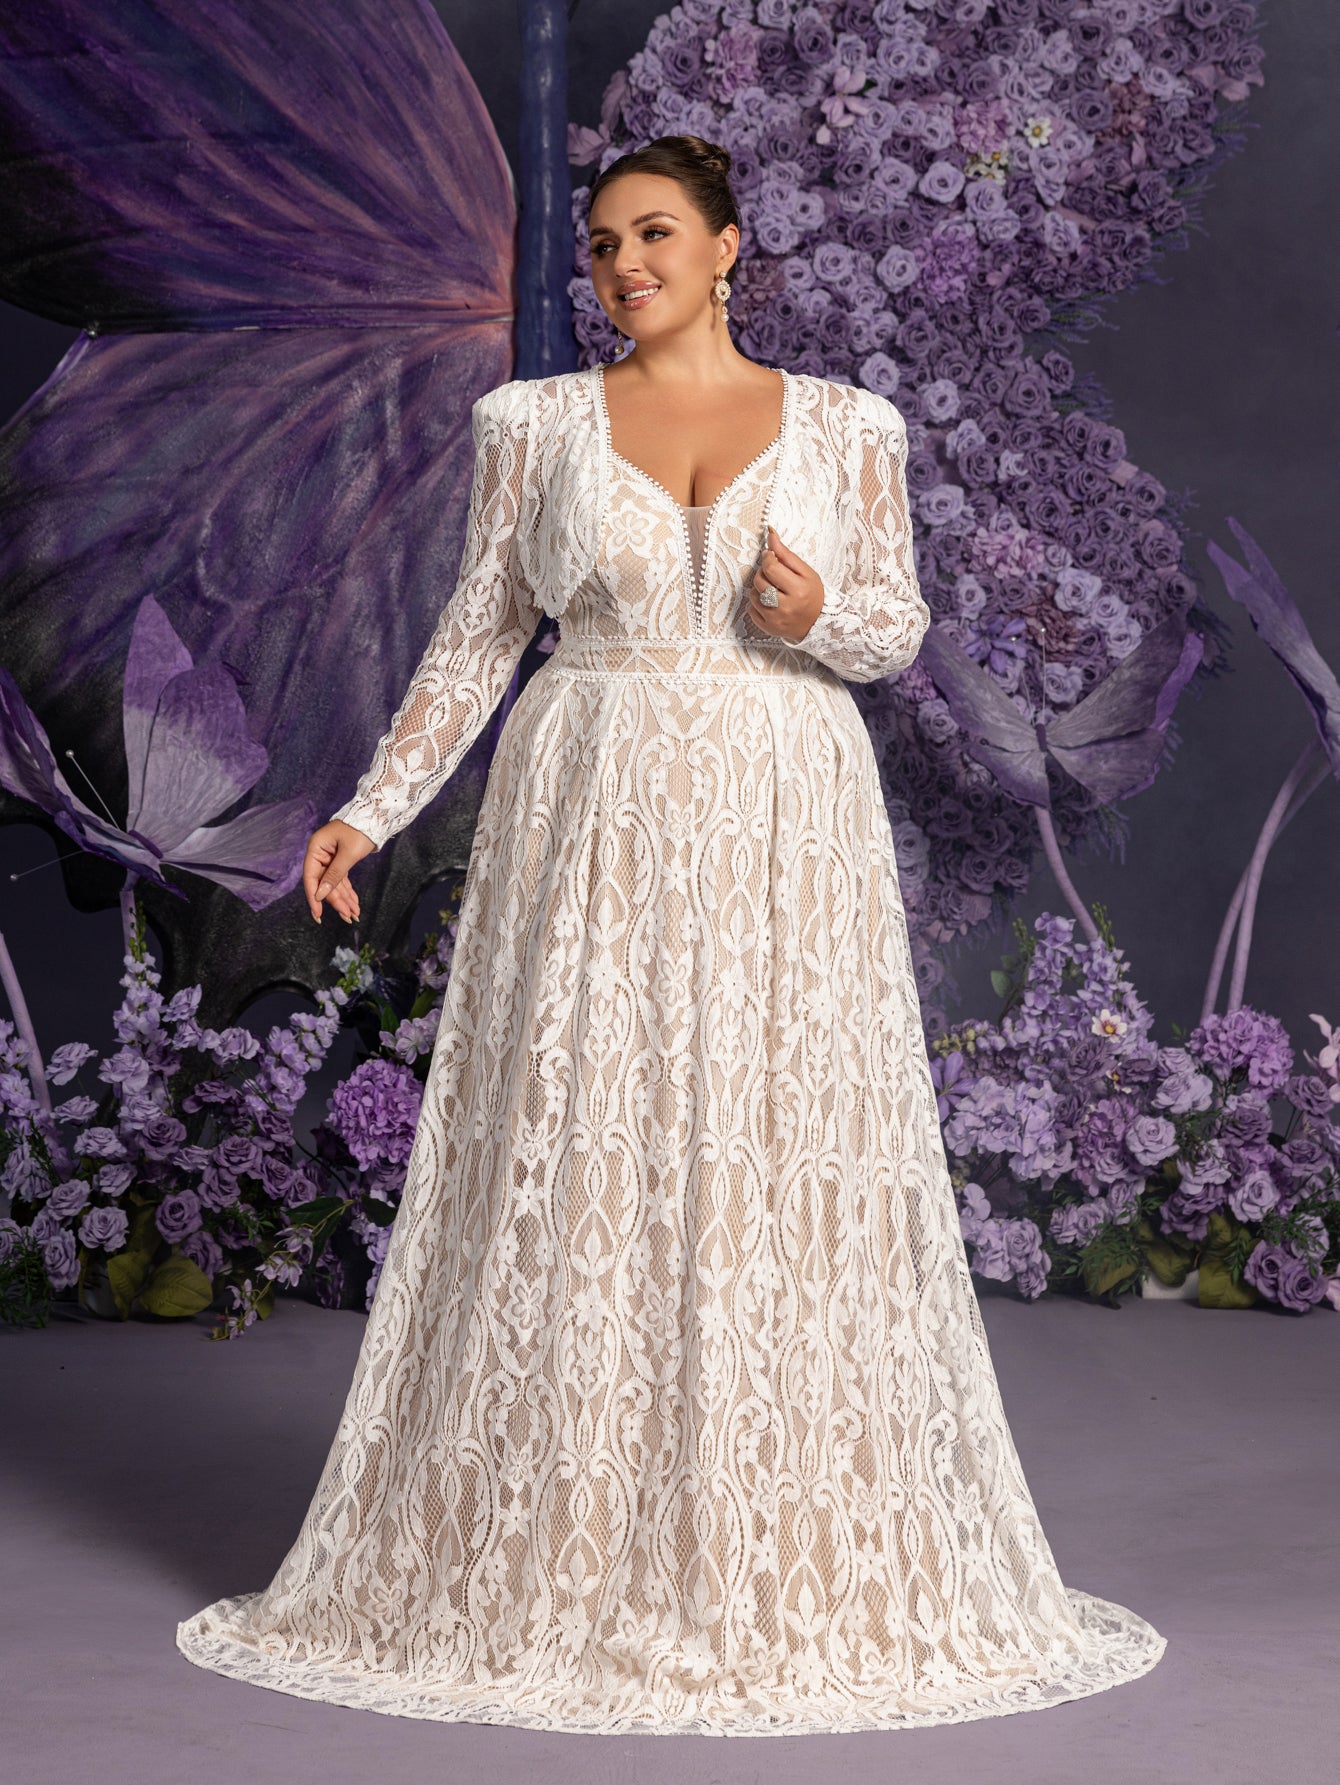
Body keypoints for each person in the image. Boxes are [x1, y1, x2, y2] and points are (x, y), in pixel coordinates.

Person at [176, 134, 1166, 1735]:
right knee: (589, 1141)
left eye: (653, 234)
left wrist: (815, 618)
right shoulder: (534, 425)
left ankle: (775, 1540)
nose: (624, 264)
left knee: (774, 1142)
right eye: (602, 244)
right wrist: (372, 804)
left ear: (727, 248)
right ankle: (569, 1537)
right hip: (591, 803)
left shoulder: (847, 426)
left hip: (785, 813)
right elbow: (481, 630)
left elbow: (895, 625)